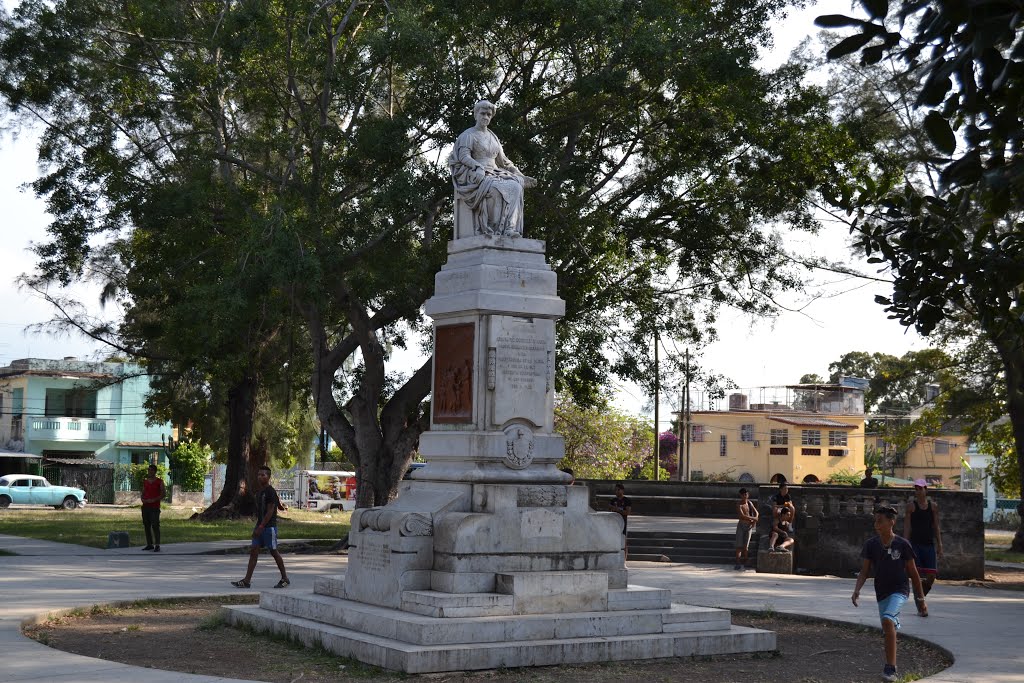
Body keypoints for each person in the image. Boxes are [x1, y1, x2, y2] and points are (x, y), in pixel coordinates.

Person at [852, 505, 926, 683]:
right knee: (888, 628)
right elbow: (864, 571)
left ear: (891, 522)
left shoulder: (902, 544)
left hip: (900, 590)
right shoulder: (871, 544)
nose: (877, 524)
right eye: (875, 521)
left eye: (880, 521)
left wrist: (921, 599)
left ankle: (891, 669)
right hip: (882, 592)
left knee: (887, 619)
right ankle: (889, 663)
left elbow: (914, 574)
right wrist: (856, 590)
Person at [448, 100, 537, 237]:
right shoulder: (468, 135)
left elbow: (504, 162)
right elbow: (463, 157)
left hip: (495, 172)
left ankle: (509, 229)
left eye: (489, 114)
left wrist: (520, 175)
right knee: (496, 189)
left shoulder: (493, 137)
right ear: (476, 114)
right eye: (483, 113)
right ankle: (494, 229)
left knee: (516, 186)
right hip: (475, 172)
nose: (486, 117)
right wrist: (477, 167)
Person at [231, 466, 290, 589]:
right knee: (253, 552)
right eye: (259, 475)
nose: (260, 477)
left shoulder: (270, 491)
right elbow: (275, 505)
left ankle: (285, 578)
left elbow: (270, 511)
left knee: (274, 552)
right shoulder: (260, 492)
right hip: (259, 527)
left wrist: (262, 526)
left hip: (269, 528)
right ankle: (246, 581)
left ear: (268, 477)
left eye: (263, 475)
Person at [904, 479, 942, 613]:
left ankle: (920, 596)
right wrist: (905, 543)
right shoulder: (911, 506)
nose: (918, 491)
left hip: (929, 544)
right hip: (915, 544)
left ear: (926, 489)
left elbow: (936, 526)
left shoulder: (933, 506)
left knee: (931, 576)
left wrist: (939, 544)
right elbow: (907, 526)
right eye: (916, 489)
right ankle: (921, 606)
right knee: (917, 576)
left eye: (921, 488)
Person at [140, 464, 165, 552]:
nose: (149, 472)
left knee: (155, 525)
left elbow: (163, 494)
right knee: (147, 525)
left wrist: (154, 500)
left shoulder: (159, 482)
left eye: (151, 470)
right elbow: (143, 492)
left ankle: (157, 544)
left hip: (154, 507)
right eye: (148, 470)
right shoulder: (145, 481)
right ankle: (149, 544)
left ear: (154, 471)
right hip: (145, 506)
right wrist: (142, 499)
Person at [734, 487, 758, 570]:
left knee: (746, 546)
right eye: (743, 494)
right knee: (739, 545)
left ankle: (746, 561)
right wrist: (753, 518)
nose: (745, 496)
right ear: (740, 495)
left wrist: (755, 520)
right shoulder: (739, 504)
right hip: (741, 525)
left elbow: (756, 513)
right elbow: (742, 516)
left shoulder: (750, 503)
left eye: (746, 494)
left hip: (749, 526)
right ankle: (738, 562)